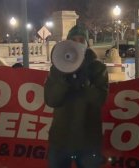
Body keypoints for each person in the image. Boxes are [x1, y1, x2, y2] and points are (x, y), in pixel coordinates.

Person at [44, 24, 109, 168]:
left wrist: (85, 83)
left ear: (87, 43)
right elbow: (51, 100)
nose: (78, 43)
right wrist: (63, 80)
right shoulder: (58, 68)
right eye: (74, 39)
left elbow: (100, 99)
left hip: (88, 141)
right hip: (61, 140)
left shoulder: (98, 68)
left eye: (81, 39)